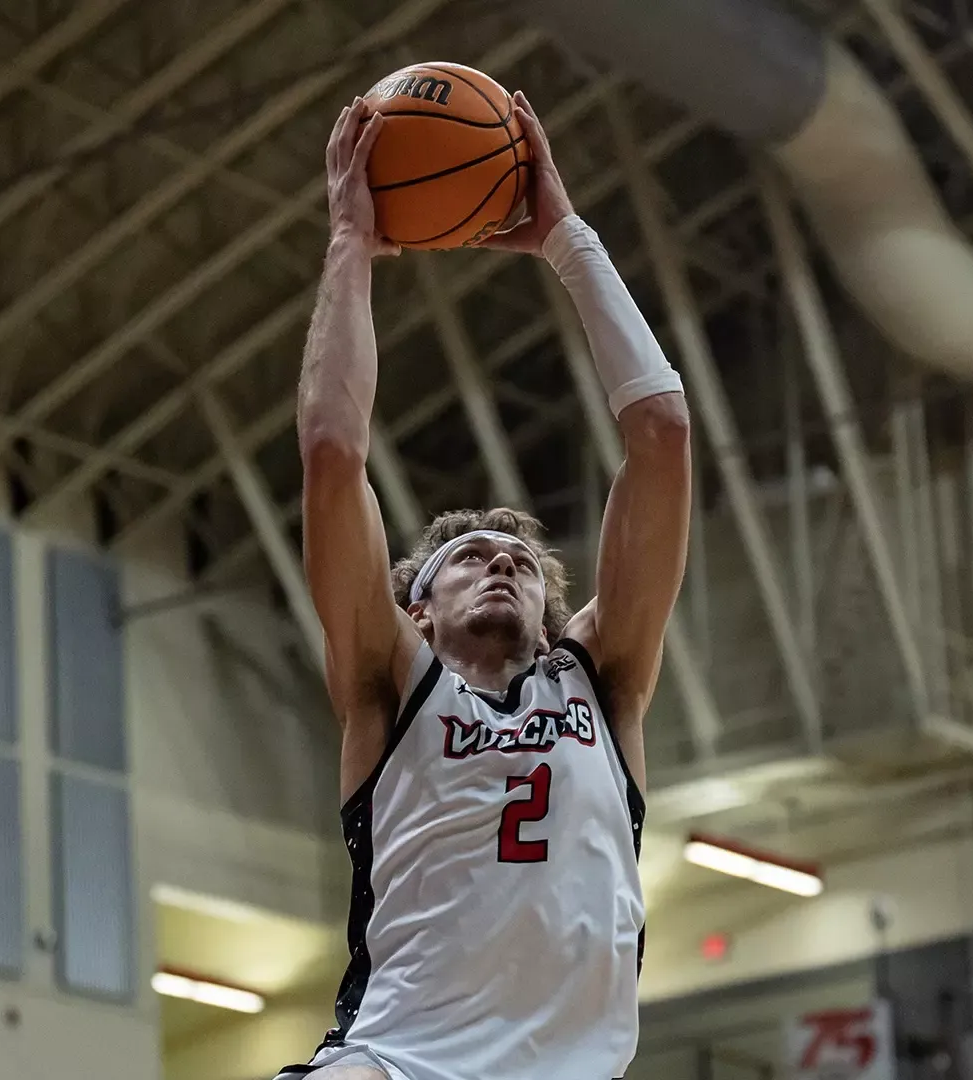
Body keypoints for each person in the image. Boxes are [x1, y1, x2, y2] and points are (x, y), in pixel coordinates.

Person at [273, 92, 691, 1080]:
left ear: (552, 619)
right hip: (399, 1060)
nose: (501, 561)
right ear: (415, 611)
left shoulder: (603, 684)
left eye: (522, 563)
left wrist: (566, 239)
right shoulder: (388, 684)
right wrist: (350, 243)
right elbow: (332, 453)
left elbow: (664, 434)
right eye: (469, 557)